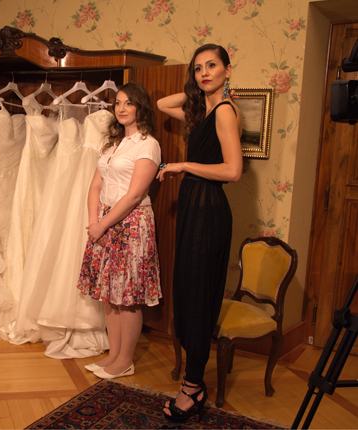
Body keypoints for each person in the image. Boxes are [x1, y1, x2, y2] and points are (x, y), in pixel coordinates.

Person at [156, 44, 242, 423]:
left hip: (209, 210)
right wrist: (198, 90)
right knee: (188, 292)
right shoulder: (202, 108)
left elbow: (233, 171)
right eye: (198, 68)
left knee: (198, 296)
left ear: (227, 70)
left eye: (212, 66)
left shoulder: (224, 110)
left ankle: (192, 387)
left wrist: (184, 165)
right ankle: (193, 383)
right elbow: (163, 104)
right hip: (195, 208)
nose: (205, 72)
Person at [77, 82, 162, 379]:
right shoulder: (113, 144)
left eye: (129, 103)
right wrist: (94, 221)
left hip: (132, 223)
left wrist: (102, 224)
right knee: (109, 294)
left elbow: (134, 195)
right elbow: (96, 185)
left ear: (141, 107)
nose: (122, 108)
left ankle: (125, 361)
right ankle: (113, 356)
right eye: (118, 103)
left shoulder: (148, 144)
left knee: (127, 296)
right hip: (104, 221)